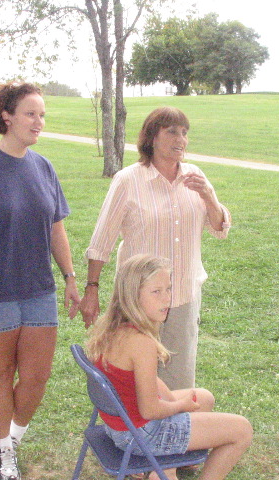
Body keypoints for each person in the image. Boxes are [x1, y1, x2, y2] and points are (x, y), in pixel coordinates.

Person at [0, 81, 80, 480]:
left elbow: (56, 227)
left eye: (42, 114)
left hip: (39, 289)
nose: (38, 121)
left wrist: (70, 278)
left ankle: (12, 439)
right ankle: (2, 451)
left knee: (37, 376)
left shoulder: (43, 166)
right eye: (30, 113)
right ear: (6, 116)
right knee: (0, 374)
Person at [80, 107, 231, 391]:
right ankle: (133, 434)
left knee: (180, 381)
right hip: (138, 300)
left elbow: (220, 229)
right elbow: (102, 241)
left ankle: (174, 433)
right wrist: (91, 289)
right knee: (134, 380)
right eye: (172, 131)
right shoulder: (128, 180)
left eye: (185, 133)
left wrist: (209, 196)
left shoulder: (195, 177)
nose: (181, 139)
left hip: (183, 294)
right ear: (152, 137)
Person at [86, 254, 252, 480]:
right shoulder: (140, 342)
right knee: (242, 430)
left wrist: (175, 402)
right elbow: (150, 411)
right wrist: (179, 406)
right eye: (156, 292)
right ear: (133, 296)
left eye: (168, 289)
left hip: (120, 426)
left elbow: (150, 381)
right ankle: (164, 468)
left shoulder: (115, 328)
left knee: (204, 398)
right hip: (142, 435)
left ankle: (163, 471)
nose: (166, 299)